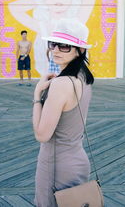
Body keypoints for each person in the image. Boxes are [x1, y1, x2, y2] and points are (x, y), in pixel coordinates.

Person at [32, 19, 94, 207]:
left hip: (56, 165)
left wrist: (36, 96)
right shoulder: (84, 77)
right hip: (77, 159)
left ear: (80, 50)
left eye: (65, 46)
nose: (56, 50)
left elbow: (42, 135)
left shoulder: (61, 84)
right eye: (53, 44)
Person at [8, 0, 96, 75]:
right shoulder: (43, 26)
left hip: (71, 73)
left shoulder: (76, 23)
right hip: (52, 76)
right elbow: (13, 7)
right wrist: (37, 0)